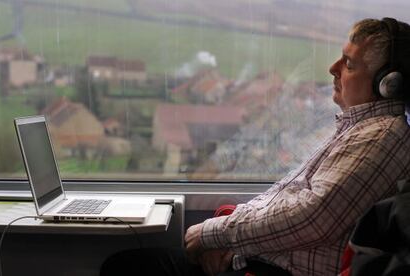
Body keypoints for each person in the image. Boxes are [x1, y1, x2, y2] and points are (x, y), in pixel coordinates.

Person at [101, 17, 410, 276]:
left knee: (126, 267)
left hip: (276, 269)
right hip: (261, 256)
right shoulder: (358, 130)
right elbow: (288, 199)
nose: (333, 67)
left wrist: (215, 234)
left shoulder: (380, 137)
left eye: (350, 64)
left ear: (388, 84)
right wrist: (228, 229)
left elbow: (310, 219)